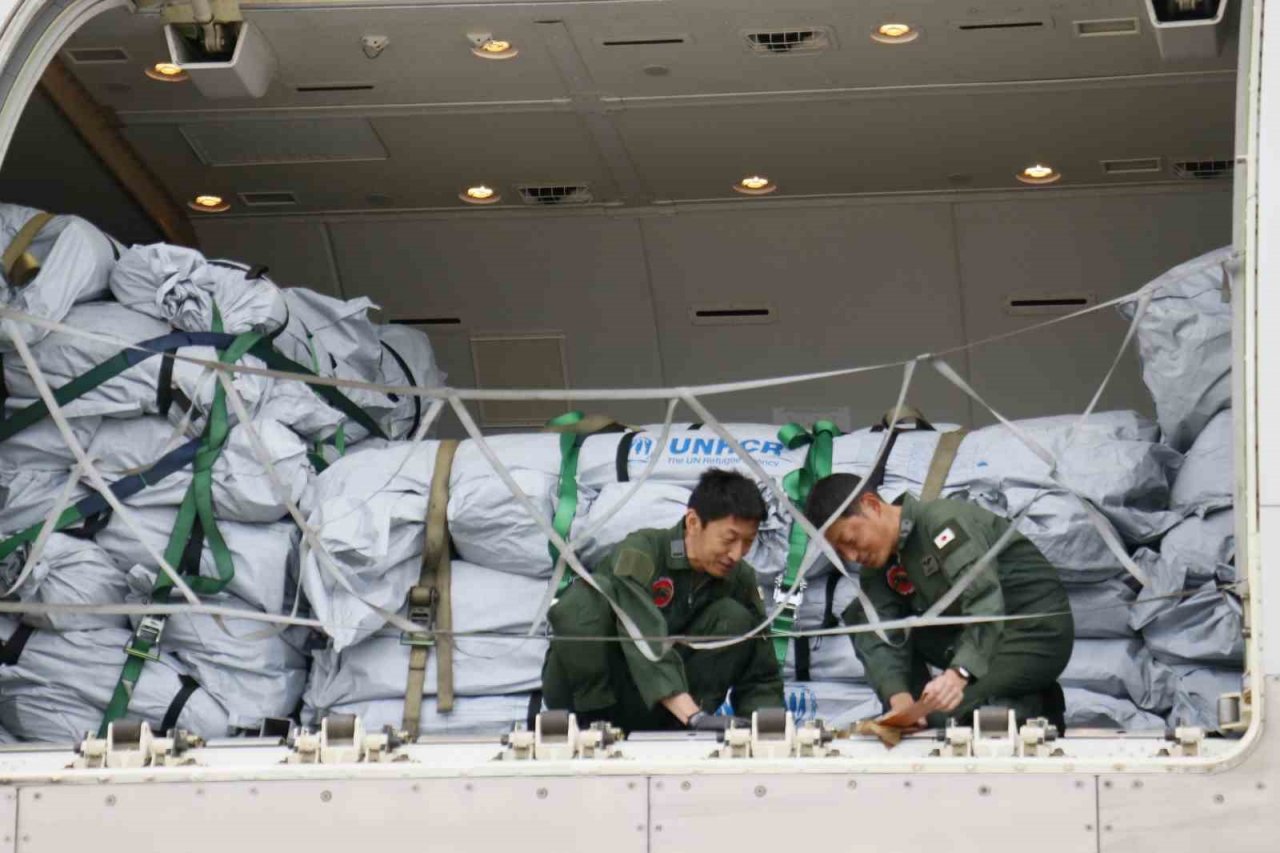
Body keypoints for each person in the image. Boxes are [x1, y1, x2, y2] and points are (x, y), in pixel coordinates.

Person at [805, 473, 1073, 730]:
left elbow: (983, 601)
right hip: (981, 639)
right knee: (864, 616)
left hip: (1032, 633)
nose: (851, 556)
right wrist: (900, 700)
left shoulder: (941, 525)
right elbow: (880, 631)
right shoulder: (879, 562)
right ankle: (928, 710)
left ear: (872, 505)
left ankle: (1037, 704)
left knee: (945, 716)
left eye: (850, 540)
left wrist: (959, 674)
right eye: (840, 552)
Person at [541, 468, 784, 732]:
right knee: (586, 599)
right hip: (601, 697)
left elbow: (761, 671)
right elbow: (642, 635)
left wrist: (767, 729)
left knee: (734, 618)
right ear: (693, 522)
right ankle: (591, 724)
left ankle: (680, 728)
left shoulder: (738, 578)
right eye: (729, 539)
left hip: (668, 709)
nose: (737, 554)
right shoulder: (643, 552)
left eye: (748, 542)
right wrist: (692, 715)